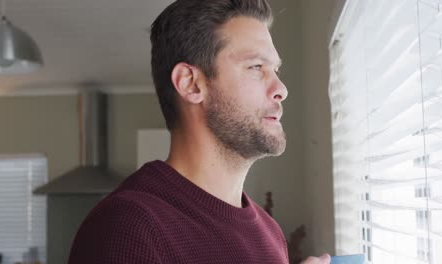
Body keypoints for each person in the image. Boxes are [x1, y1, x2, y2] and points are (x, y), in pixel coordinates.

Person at [68, 0, 330, 263]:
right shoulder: (127, 227)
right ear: (191, 84)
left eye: (276, 69)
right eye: (256, 67)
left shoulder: (270, 232)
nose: (281, 88)